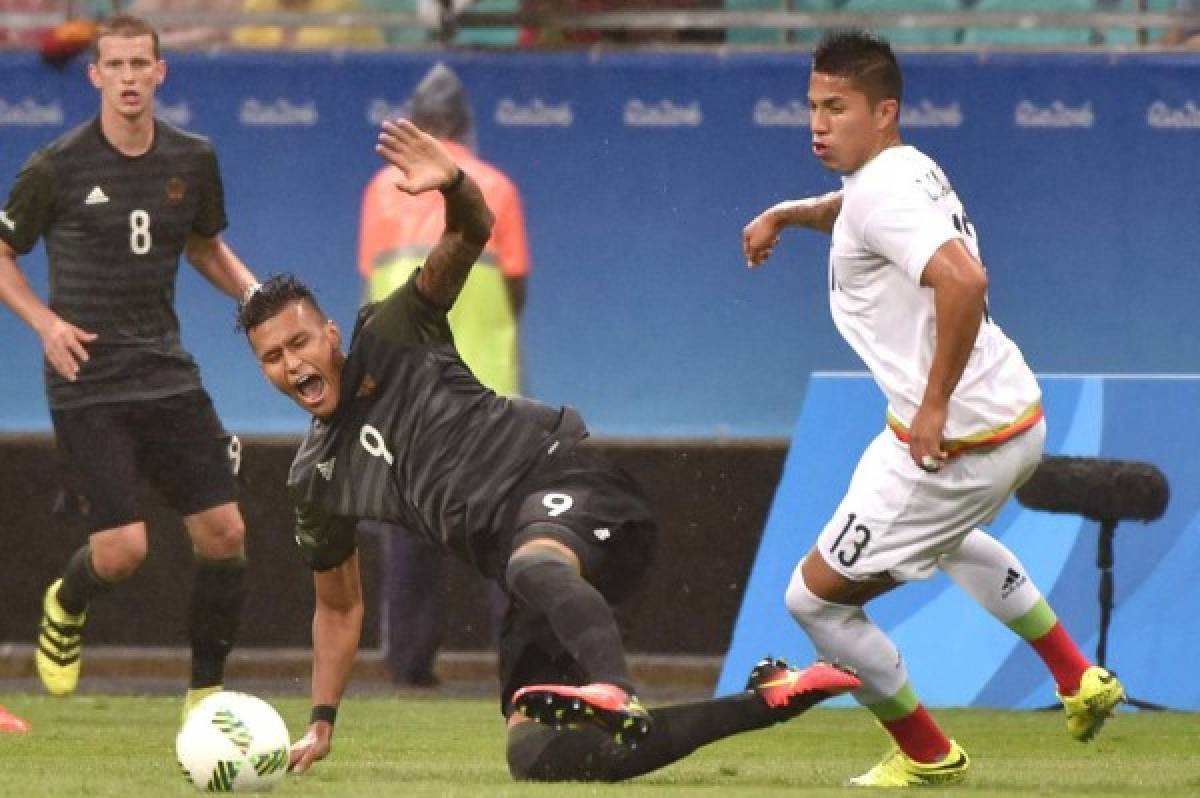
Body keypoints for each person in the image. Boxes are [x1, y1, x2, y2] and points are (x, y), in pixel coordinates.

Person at [237, 119, 862, 781]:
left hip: (575, 486)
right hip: (526, 570)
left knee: (534, 561)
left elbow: (470, 232)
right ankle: (764, 700)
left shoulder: (394, 329)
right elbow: (337, 607)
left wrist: (453, 183)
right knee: (537, 755)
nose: (291, 362)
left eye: (300, 343)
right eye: (272, 358)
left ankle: (614, 688)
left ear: (331, 333)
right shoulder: (316, 479)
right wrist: (321, 721)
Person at [741, 30, 1126, 788]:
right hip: (1014, 415)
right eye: (813, 106)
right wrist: (787, 213)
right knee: (950, 540)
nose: (819, 123)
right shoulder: (901, 169)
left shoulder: (883, 189)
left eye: (838, 107)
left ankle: (925, 753)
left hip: (955, 437)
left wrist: (932, 407)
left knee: (815, 604)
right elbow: (852, 212)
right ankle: (1077, 676)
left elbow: (964, 281)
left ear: (883, 111)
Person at [0, 14, 259, 718]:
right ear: (95, 76)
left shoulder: (193, 157)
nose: (128, 78)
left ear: (160, 72)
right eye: (113, 66)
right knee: (121, 552)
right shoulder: (56, 166)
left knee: (225, 533)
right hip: (87, 380)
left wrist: (261, 299)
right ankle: (67, 599)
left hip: (167, 372)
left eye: (139, 65)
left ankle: (206, 696)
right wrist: (46, 324)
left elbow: (204, 246)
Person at [358, 62, 529, 688]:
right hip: (484, 388)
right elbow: (515, 289)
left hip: (401, 388)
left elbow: (373, 291)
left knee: (409, 532)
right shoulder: (499, 187)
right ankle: (519, 666)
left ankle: (408, 666)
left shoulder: (380, 189)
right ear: (464, 124)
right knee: (499, 531)